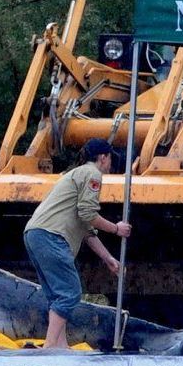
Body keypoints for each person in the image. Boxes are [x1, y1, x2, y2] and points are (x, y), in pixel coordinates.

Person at [24, 138, 131, 349]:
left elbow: (87, 230)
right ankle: (49, 348)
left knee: (57, 295)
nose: (110, 163)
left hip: (35, 234)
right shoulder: (92, 174)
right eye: (110, 158)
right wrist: (117, 229)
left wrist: (108, 258)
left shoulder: (74, 174)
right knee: (69, 292)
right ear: (103, 157)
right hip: (52, 236)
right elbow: (88, 213)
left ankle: (60, 346)